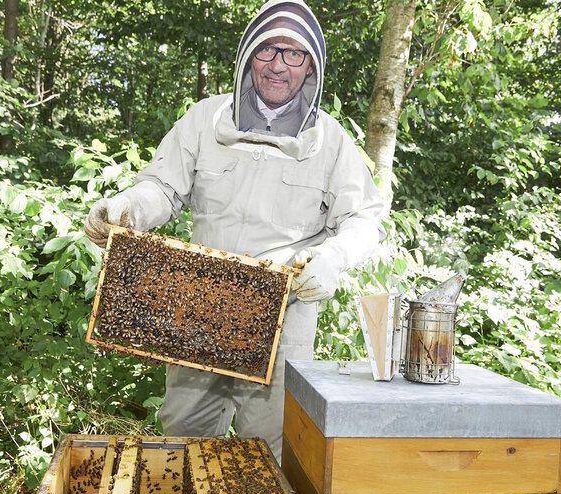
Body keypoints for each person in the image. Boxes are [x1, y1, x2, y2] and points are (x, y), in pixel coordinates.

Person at [85, 0, 387, 459]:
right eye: (267, 50)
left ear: (311, 67)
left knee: (272, 450)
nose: (278, 66)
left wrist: (332, 258)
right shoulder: (205, 120)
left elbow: (364, 220)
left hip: (284, 314)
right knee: (181, 438)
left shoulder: (331, 142)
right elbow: (163, 187)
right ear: (248, 55)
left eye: (293, 54)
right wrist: (128, 207)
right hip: (200, 304)